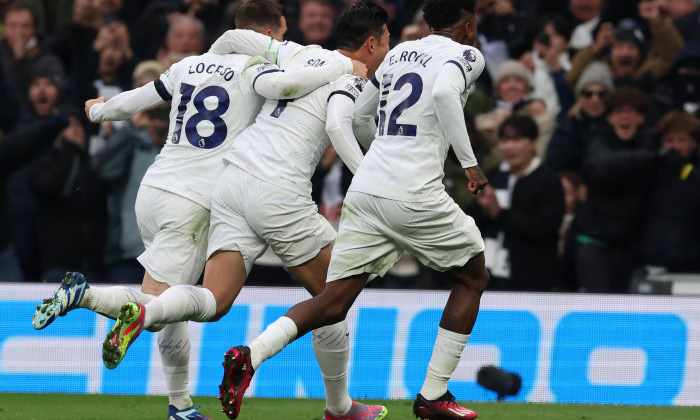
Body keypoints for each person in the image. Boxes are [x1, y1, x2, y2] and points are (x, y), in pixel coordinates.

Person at [30, 1, 362, 419]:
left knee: (175, 304)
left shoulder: (188, 64)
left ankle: (180, 404)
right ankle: (83, 293)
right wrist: (341, 68)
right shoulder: (256, 69)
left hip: (153, 189)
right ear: (272, 35)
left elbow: (134, 101)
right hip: (194, 199)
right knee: (162, 302)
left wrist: (99, 110)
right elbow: (285, 89)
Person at [217, 0, 490, 418]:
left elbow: (360, 114)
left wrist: (385, 151)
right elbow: (442, 92)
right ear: (468, 26)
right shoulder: (466, 53)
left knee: (333, 300)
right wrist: (470, 164)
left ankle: (250, 355)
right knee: (472, 277)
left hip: (366, 190)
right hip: (415, 191)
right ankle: (433, 396)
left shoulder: (399, 53)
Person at [468, 115, 565, 291]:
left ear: (534, 142)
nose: (509, 146)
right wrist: (480, 207)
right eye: (504, 140)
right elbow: (471, 222)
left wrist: (500, 214)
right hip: (488, 276)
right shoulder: (494, 174)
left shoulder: (548, 180)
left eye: (517, 139)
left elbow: (546, 229)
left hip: (530, 279)